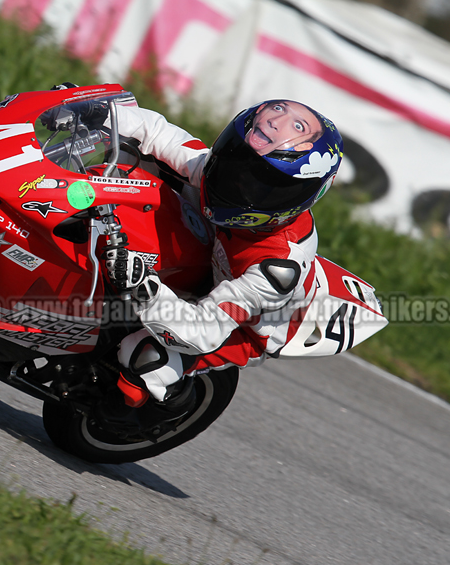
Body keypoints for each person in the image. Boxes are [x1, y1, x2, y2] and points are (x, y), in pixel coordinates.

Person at [99, 97, 344, 418]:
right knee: (136, 164)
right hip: (213, 250)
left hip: (239, 328)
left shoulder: (276, 268)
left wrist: (144, 287)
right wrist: (101, 112)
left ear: (302, 196)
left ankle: (158, 403)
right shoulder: (220, 172)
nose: (240, 182)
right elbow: (158, 133)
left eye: (265, 183)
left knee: (143, 357)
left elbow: (203, 331)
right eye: (237, 160)